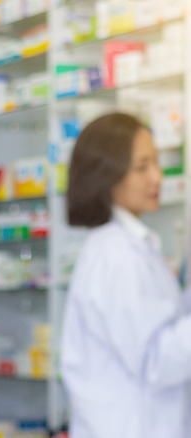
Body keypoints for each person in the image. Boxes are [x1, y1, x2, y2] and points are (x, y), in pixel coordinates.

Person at [61, 112, 191, 438]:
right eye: (142, 167)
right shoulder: (115, 255)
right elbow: (156, 362)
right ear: (107, 175)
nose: (157, 177)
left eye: (157, 164)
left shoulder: (130, 246)